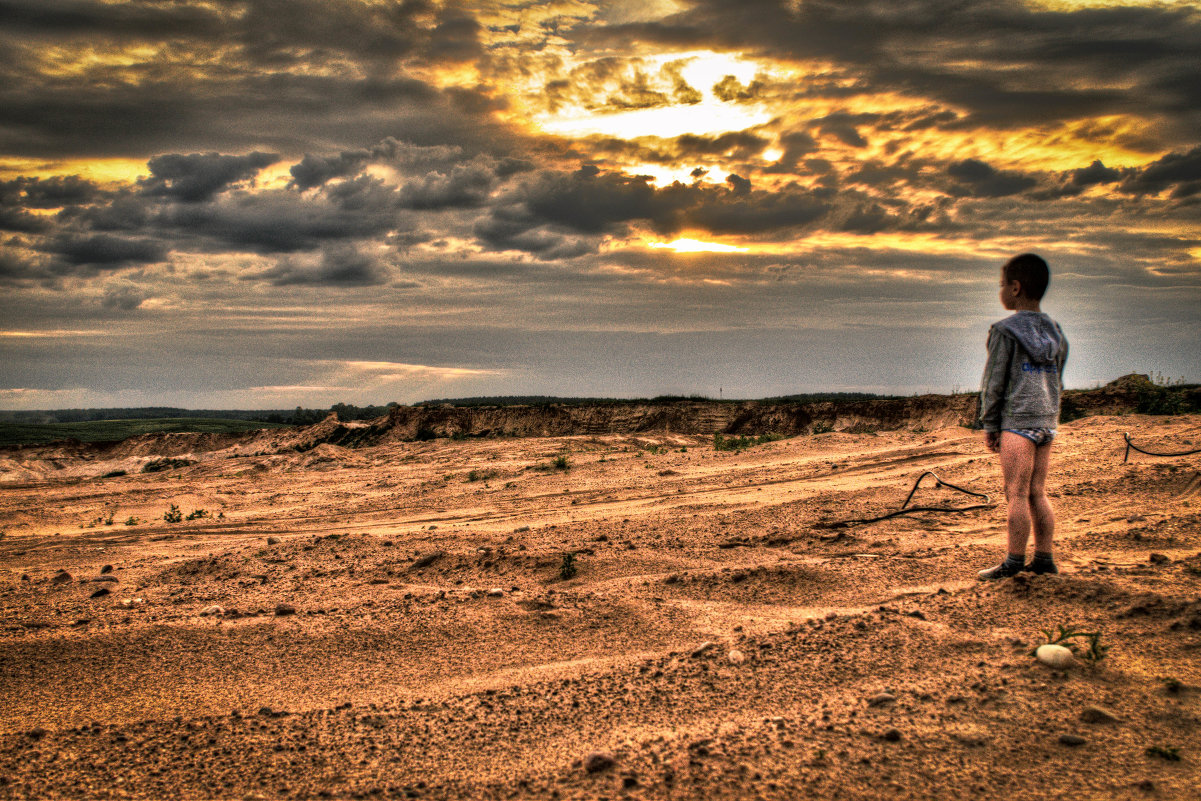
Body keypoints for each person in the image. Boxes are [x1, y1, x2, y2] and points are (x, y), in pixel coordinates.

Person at [976, 253, 1069, 580]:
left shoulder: (1005, 331)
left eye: (1002, 284)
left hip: (1017, 421)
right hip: (1046, 419)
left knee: (1015, 493)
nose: (1000, 290)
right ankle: (1044, 558)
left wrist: (989, 424)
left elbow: (994, 382)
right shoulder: (1055, 330)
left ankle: (1014, 562)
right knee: (1037, 492)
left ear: (1015, 288)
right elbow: (1059, 375)